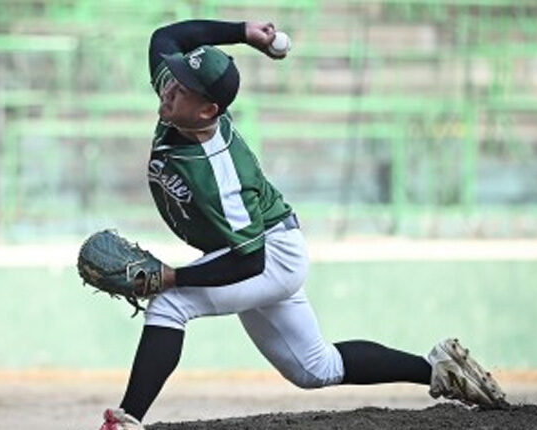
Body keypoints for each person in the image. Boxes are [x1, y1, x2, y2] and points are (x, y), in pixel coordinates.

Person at [98, 19, 506, 430]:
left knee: (170, 303)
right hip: (246, 249)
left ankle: (125, 421)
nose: (169, 89)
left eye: (183, 88)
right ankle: (439, 368)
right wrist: (244, 32)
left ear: (208, 110)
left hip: (270, 255)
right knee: (315, 368)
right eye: (174, 79)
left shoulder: (222, 174)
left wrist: (172, 277)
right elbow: (165, 38)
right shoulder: (179, 102)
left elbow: (249, 262)